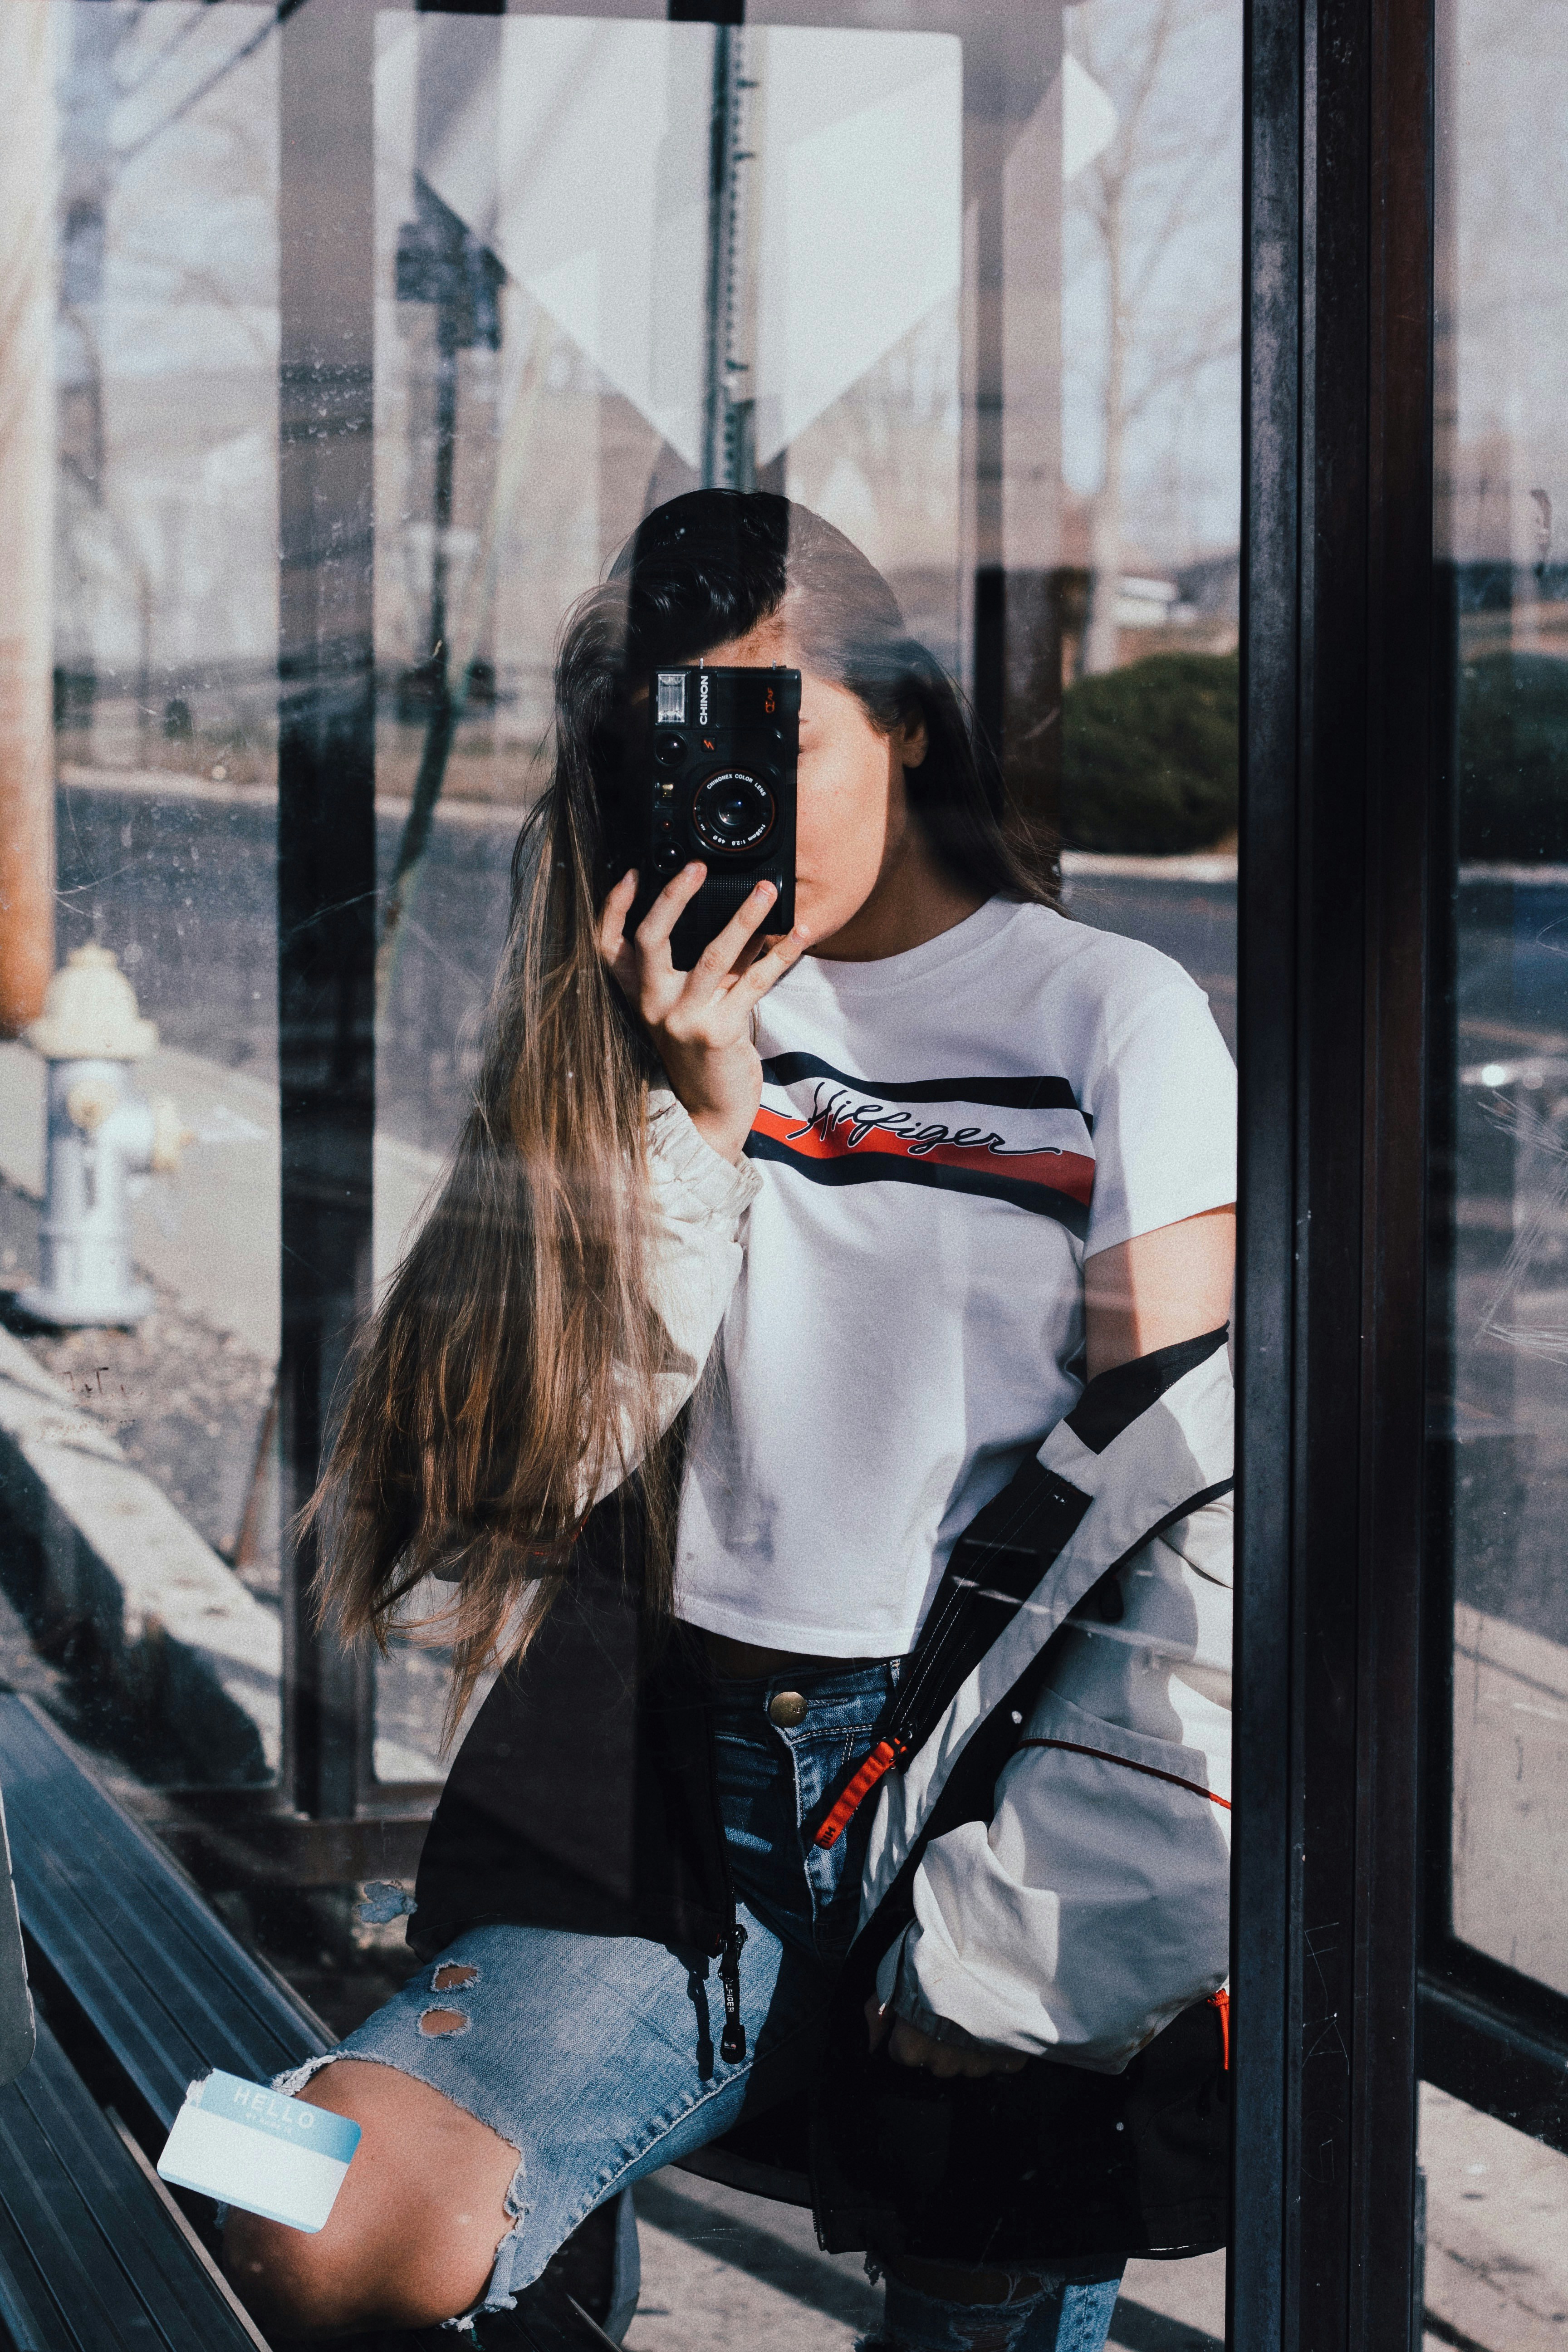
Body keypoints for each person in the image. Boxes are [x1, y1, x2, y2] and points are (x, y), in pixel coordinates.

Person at [225, 491, 1236, 2350]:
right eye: (686, 751)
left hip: (978, 1803)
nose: (736, 802)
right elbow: (537, 1471)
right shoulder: (638, 1005)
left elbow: (1183, 1509)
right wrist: (690, 1114)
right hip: (677, 1805)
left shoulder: (1111, 1017)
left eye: (785, 738)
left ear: (907, 720)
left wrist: (1046, 1922)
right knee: (269, 2192)